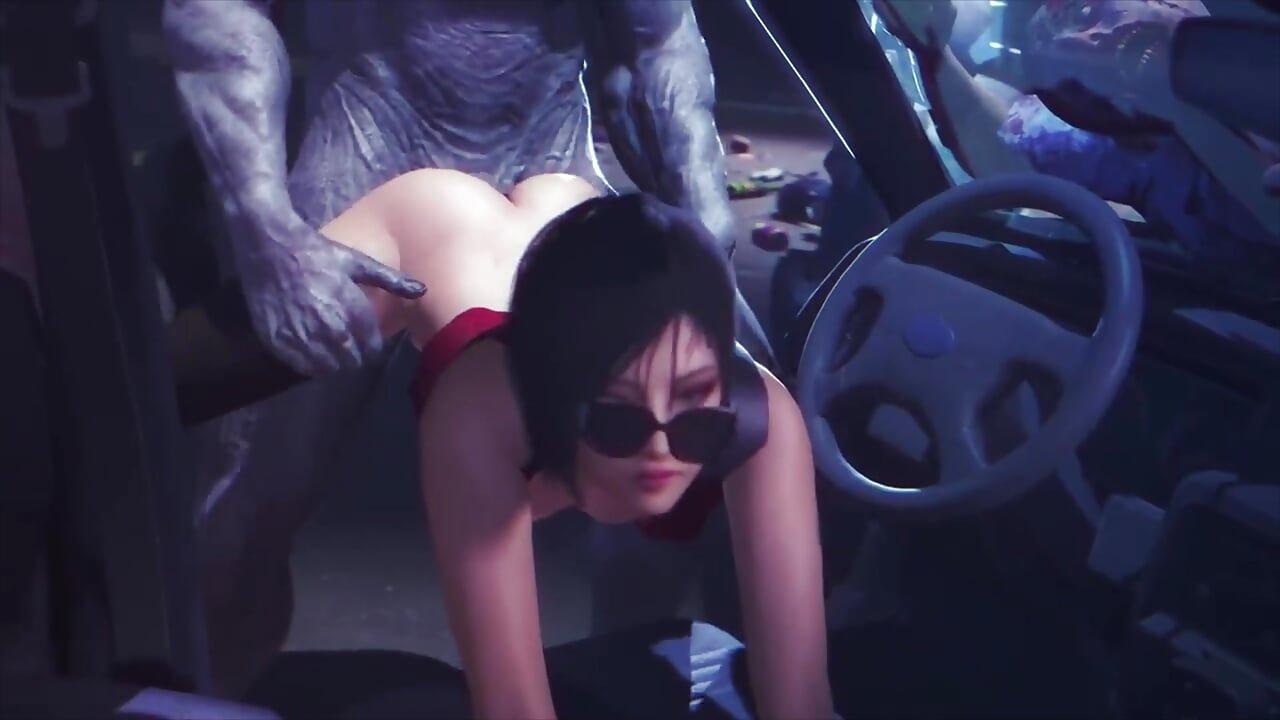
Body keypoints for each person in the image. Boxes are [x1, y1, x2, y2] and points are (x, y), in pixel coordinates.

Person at [305, 168, 832, 719]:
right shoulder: (485, 409)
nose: (660, 445)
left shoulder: (758, 414)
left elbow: (802, 706)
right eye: (617, 415)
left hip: (570, 204)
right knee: (266, 399)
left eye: (693, 403)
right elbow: (512, 710)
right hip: (438, 226)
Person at [873, 0, 1280, 295]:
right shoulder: (1141, 151)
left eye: (1081, 12)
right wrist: (932, 50)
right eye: (1074, 80)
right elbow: (1004, 156)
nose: (1084, 43)